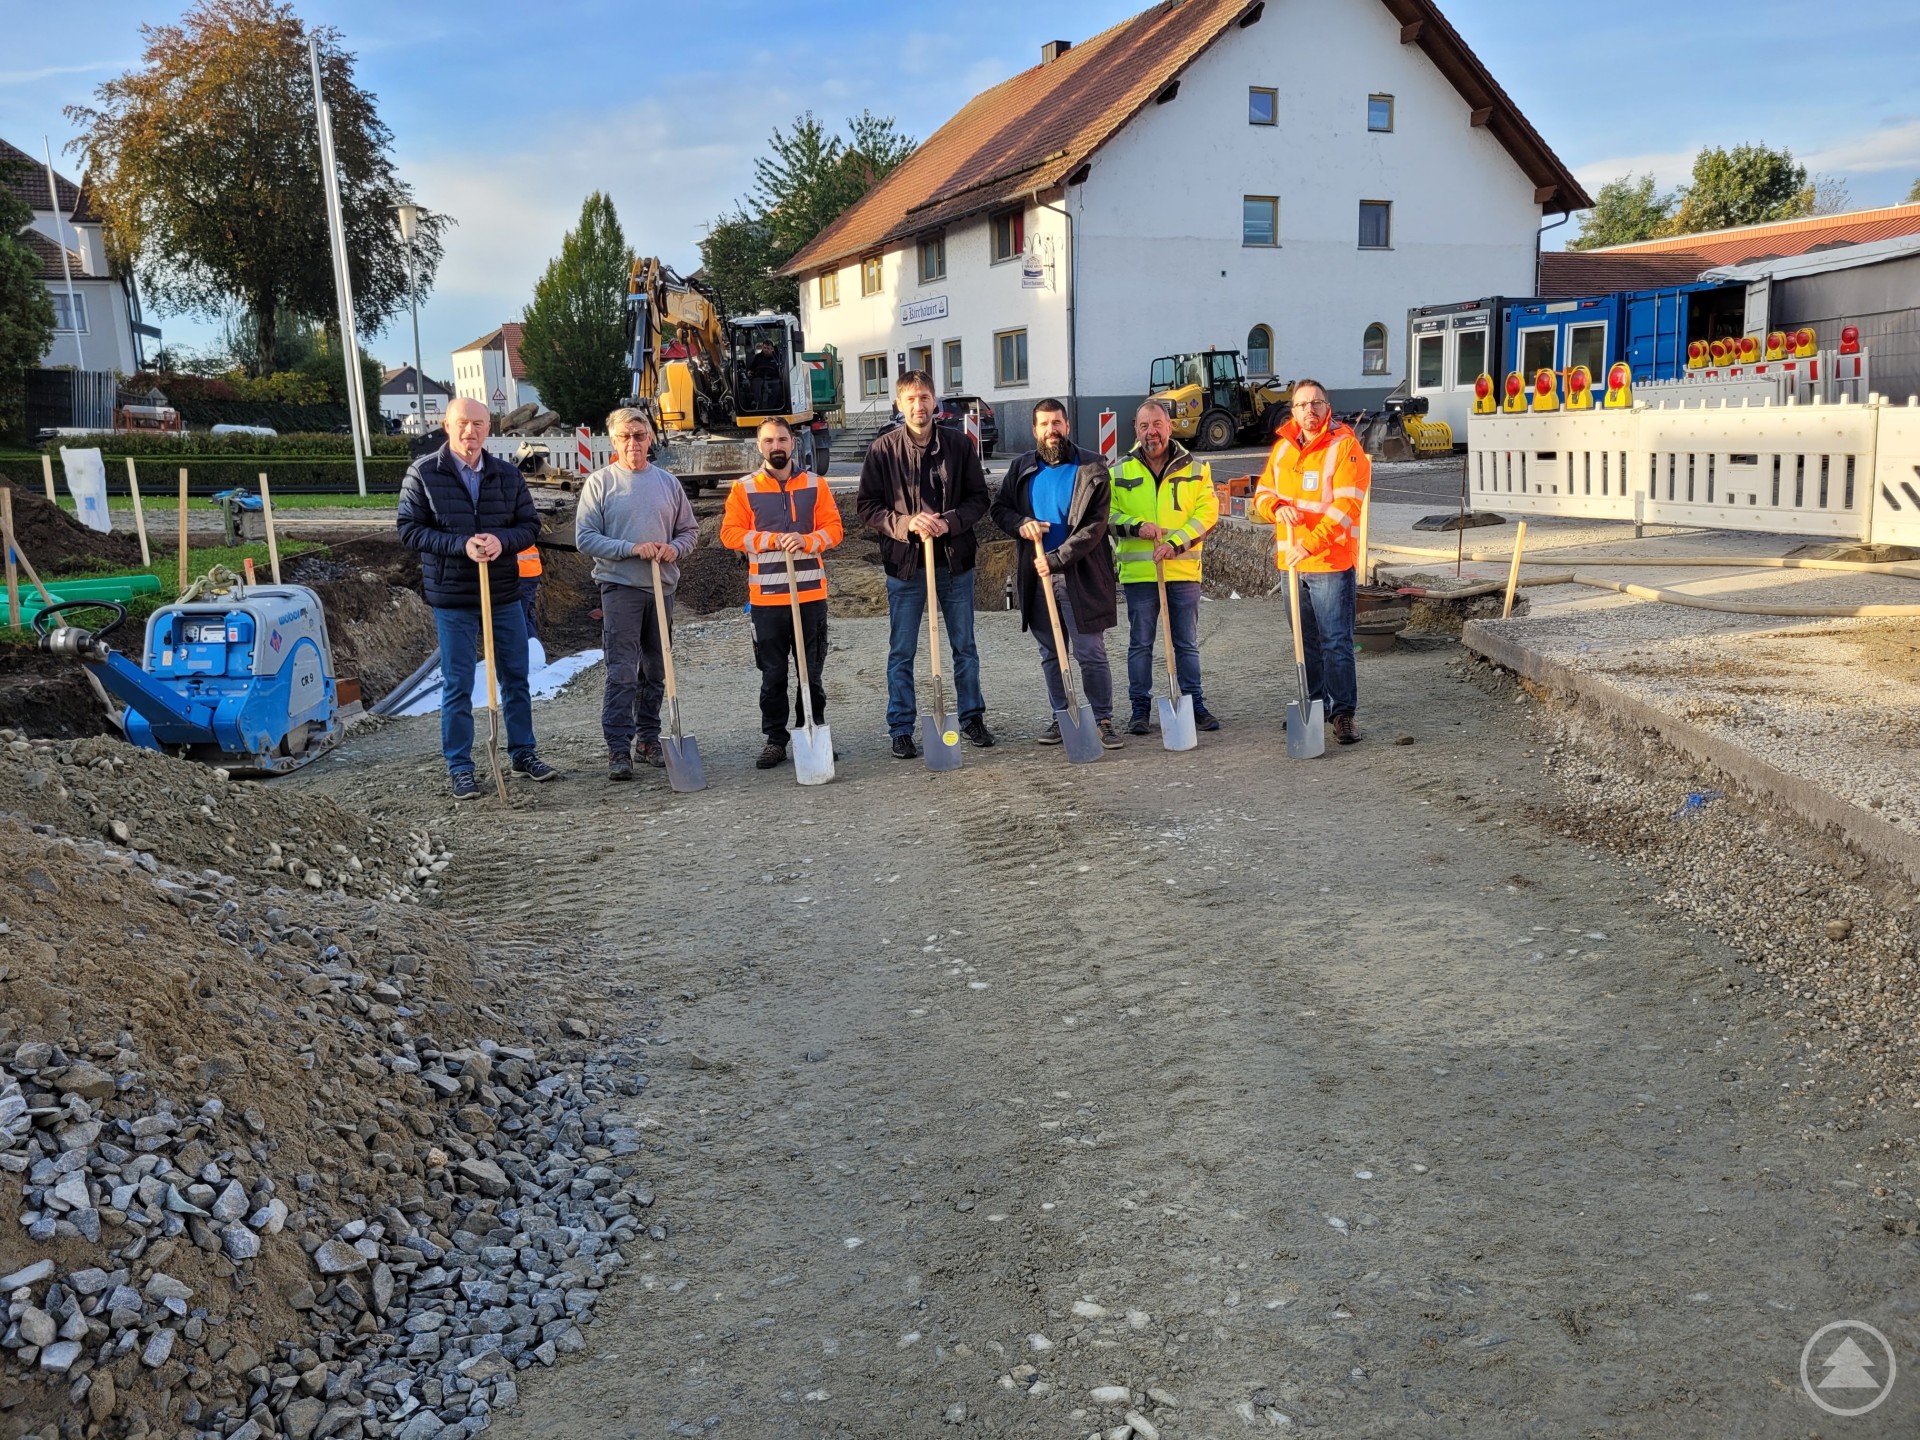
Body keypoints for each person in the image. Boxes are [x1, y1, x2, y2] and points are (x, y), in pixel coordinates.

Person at [395, 396, 560, 798]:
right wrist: (461, 545)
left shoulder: (506, 474)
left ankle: (523, 752)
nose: (471, 432)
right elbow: (409, 530)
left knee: (515, 676)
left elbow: (529, 526)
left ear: (489, 430)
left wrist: (500, 541)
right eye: (463, 423)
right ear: (447, 425)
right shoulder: (423, 474)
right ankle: (460, 766)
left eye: (479, 425)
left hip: (503, 593)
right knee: (457, 683)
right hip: (452, 596)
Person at [856, 369, 996, 758]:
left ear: (935, 401)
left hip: (954, 564)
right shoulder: (883, 450)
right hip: (905, 567)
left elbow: (978, 499)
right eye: (910, 399)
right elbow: (867, 506)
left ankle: (971, 716)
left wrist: (947, 522)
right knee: (901, 650)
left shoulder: (958, 446)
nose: (918, 406)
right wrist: (905, 524)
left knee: (964, 646)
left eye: (924, 397)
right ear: (899, 405)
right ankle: (901, 727)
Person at [574, 408, 699, 780]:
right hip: (620, 588)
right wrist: (631, 548)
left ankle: (648, 739)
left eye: (639, 435)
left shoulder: (668, 483)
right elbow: (585, 537)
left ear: (650, 439)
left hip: (662, 588)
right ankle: (618, 749)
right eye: (625, 436)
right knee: (623, 671)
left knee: (656, 669)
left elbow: (689, 531)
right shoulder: (601, 483)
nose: (633, 443)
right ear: (613, 441)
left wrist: (674, 549)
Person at [990, 398, 1122, 748]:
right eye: (1045, 424)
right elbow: (999, 508)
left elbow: (1096, 526)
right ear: (1035, 430)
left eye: (1057, 423)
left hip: (1082, 575)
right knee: (1051, 652)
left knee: (1089, 651)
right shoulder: (1021, 469)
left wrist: (1058, 558)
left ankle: (1103, 718)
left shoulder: (1092, 467)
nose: (1052, 430)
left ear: (1067, 426)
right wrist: (1021, 524)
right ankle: (1062, 714)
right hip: (1038, 576)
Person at [1250, 379, 1372, 744]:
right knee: (1305, 641)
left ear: (1327, 406)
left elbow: (1347, 507)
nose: (1310, 410)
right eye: (1303, 404)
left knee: (1336, 641)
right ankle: (1314, 704)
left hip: (1329, 563)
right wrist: (1277, 507)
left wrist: (1311, 544)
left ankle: (1343, 713)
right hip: (1292, 565)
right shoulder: (1284, 448)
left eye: (1316, 403)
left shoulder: (1345, 446)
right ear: (1293, 410)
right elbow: (1263, 493)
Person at [721, 417, 844, 768]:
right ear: (760, 446)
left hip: (809, 596)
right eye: (769, 440)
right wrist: (772, 539)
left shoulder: (815, 485)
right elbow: (730, 534)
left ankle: (812, 728)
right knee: (773, 673)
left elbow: (834, 529)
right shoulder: (744, 489)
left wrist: (807, 540)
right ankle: (776, 739)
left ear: (793, 443)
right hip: (767, 598)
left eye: (782, 439)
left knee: (811, 671)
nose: (777, 446)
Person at [1110, 399, 1219, 735]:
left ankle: (1193, 703)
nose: (1151, 432)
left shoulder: (1197, 469)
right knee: (1140, 644)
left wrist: (1175, 544)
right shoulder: (1118, 471)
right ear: (1136, 430)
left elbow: (1207, 515)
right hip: (1140, 575)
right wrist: (1136, 526)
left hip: (1182, 572)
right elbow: (1107, 516)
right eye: (1144, 426)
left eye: (1157, 424)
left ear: (1170, 427)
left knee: (1185, 642)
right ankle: (1139, 710)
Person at [516, 543, 543, 642]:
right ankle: (534, 647)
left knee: (520, 617)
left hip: (521, 572)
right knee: (525, 614)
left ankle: (531, 651)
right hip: (530, 571)